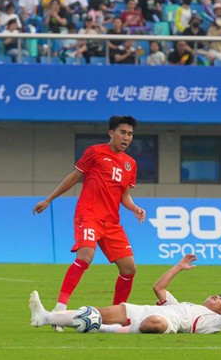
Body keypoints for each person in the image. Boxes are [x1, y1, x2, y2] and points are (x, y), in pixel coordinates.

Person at [33, 116, 146, 331]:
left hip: (112, 223)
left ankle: (116, 314)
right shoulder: (94, 152)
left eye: (130, 134)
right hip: (89, 215)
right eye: (122, 132)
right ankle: (59, 309)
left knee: (129, 269)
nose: (127, 137)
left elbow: (125, 196)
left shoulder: (131, 164)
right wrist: (49, 199)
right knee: (85, 255)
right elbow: (75, 177)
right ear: (111, 133)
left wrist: (135, 208)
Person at [29, 254, 221, 334]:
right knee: (95, 312)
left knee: (155, 322)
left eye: (220, 301)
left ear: (220, 311)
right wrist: (178, 266)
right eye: (215, 295)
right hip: (145, 311)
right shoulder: (185, 303)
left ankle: (107, 330)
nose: (215, 297)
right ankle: (45, 317)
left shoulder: (214, 321)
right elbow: (159, 288)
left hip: (167, 323)